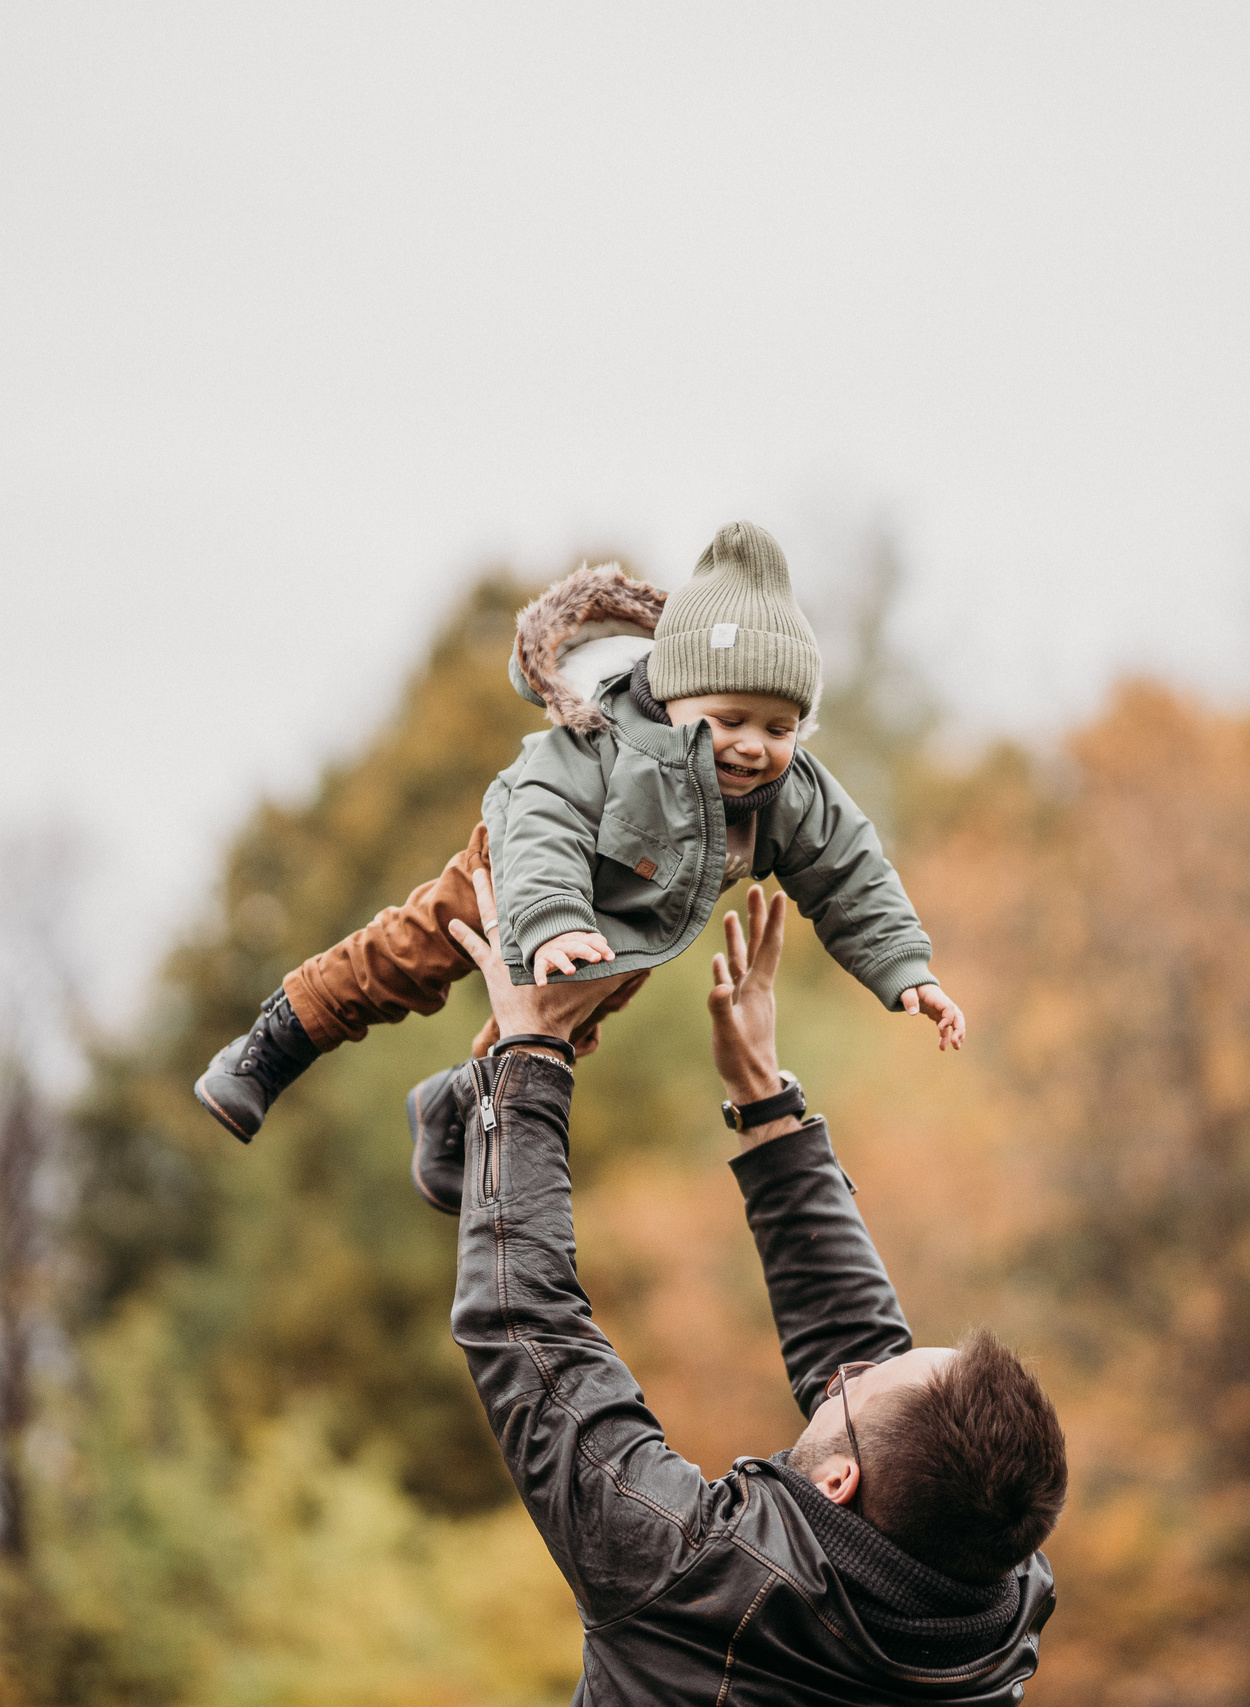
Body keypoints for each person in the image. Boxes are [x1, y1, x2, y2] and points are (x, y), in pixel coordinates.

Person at [432, 872, 1065, 1704]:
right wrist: (768, 1106)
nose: (853, 1366)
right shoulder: (994, 1602)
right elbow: (873, 1396)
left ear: (839, 1482)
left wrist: (528, 1057)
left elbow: (529, 1327)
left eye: (857, 1384)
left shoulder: (695, 1579)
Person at [193, 522, 969, 1168]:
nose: (752, 747)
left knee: (550, 1034)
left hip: (628, 931)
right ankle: (266, 1051)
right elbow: (544, 818)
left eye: (779, 726)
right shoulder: (603, 742)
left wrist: (906, 969)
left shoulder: (790, 790)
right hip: (514, 874)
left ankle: (450, 1110)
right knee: (404, 956)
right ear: (672, 695)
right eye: (730, 718)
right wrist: (556, 916)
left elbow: (849, 871)